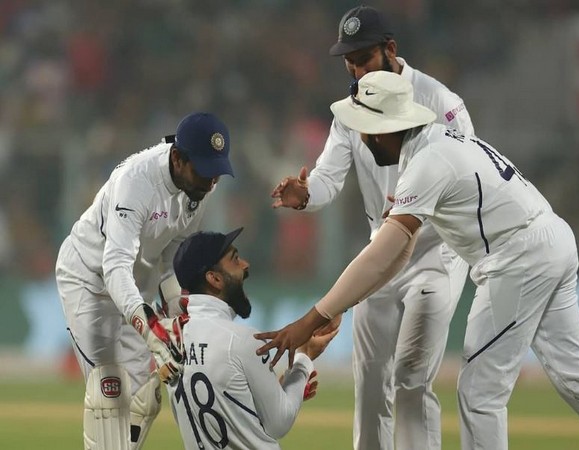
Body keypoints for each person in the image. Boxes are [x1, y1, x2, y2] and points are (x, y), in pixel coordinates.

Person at [257, 71, 579, 450]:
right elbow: (399, 251)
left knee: (479, 391)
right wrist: (342, 304)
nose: (362, 137)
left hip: (518, 260)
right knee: (578, 377)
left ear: (384, 128)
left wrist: (312, 318)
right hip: (551, 241)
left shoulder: (426, 163)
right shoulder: (434, 144)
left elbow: (385, 253)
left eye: (365, 128)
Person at [270, 5, 473, 450]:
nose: (358, 71)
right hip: (380, 254)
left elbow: (466, 179)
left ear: (391, 49)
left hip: (435, 256)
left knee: (411, 379)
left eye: (364, 59)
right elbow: (326, 177)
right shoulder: (350, 109)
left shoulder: (441, 104)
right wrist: (305, 195)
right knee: (370, 379)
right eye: (350, 62)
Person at [55, 111, 235, 450]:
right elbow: (115, 265)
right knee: (110, 392)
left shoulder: (200, 183)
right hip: (90, 282)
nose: (211, 182)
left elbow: (173, 256)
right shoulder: (136, 182)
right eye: (205, 171)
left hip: (138, 287)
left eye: (216, 172)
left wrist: (175, 313)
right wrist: (150, 326)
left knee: (143, 400)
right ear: (178, 158)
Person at [170, 227, 336, 450]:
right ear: (215, 278)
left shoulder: (173, 342)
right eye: (235, 259)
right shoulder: (243, 340)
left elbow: (220, 412)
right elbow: (279, 423)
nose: (245, 264)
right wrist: (303, 359)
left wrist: (267, 392)